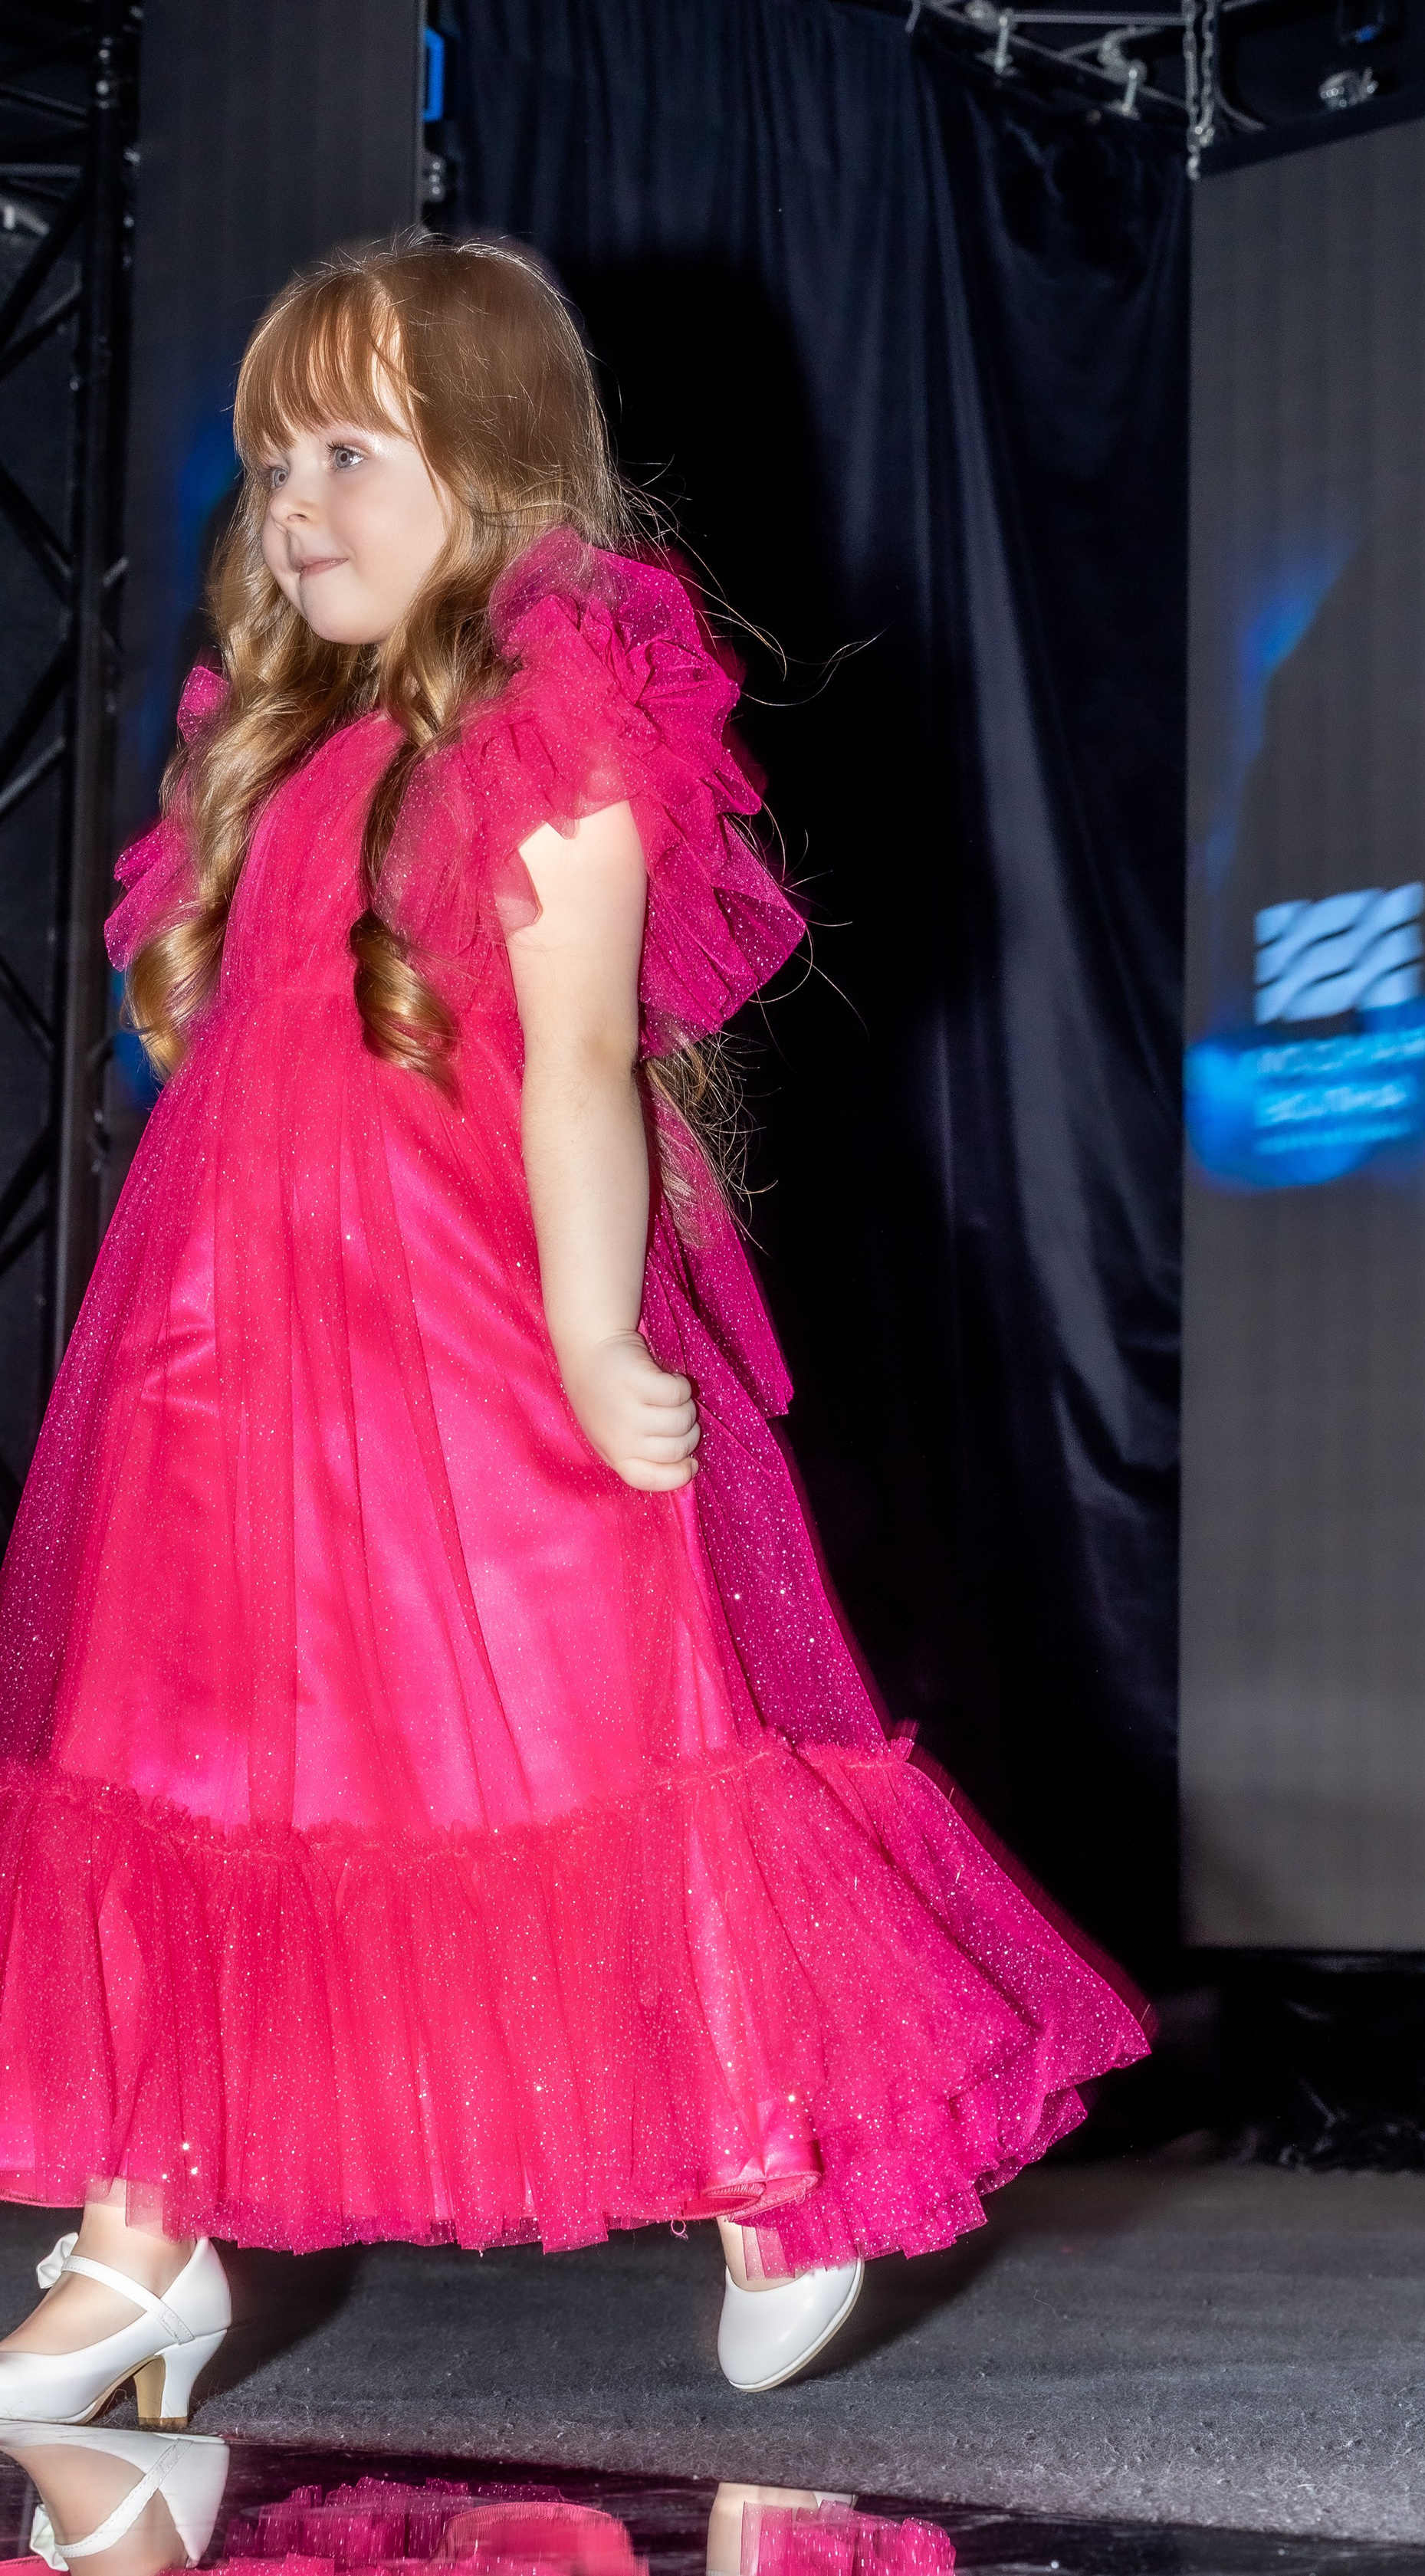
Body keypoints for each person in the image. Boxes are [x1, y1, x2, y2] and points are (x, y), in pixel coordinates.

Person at [0, 234, 1146, 2422]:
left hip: (464, 1329)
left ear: (494, 457)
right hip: (217, 1346)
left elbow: (581, 1061)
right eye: (272, 464)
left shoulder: (559, 718)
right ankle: (142, 2243)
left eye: (350, 452)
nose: (295, 505)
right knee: (164, 1748)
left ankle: (773, 2163)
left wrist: (605, 1334)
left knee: (596, 1711)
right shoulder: (273, 744)